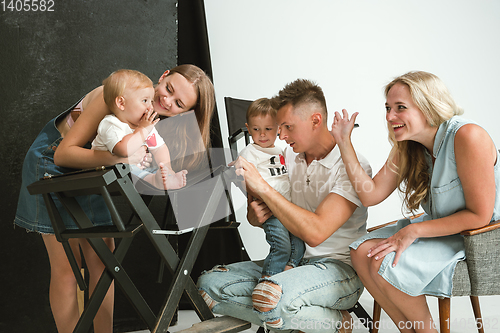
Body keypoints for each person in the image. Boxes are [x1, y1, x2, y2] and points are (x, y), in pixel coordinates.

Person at [14, 64, 215, 333]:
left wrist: (160, 175)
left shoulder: (148, 118)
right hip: (52, 164)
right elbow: (64, 154)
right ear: (164, 75)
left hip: (93, 171)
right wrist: (121, 158)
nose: (166, 100)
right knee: (67, 267)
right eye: (168, 89)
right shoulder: (115, 94)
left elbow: (134, 160)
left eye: (178, 103)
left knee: (103, 258)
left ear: (185, 112)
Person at [330, 70, 500, 333]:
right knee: (360, 251)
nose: (389, 117)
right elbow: (370, 194)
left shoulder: (468, 136)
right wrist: (344, 142)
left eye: (400, 108)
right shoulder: (408, 146)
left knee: (383, 260)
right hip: (444, 229)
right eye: (388, 108)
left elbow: (480, 216)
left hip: (479, 236)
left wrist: (413, 230)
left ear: (428, 106)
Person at [198, 79, 371, 333]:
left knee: (270, 297)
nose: (281, 135)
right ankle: (311, 317)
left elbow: (315, 233)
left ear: (315, 120)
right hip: (292, 261)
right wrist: (254, 213)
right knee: (207, 285)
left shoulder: (353, 167)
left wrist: (264, 188)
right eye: (280, 127)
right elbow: (261, 214)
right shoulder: (285, 155)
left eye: (288, 127)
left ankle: (333, 322)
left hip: (336, 269)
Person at [240, 97, 305, 279]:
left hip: (287, 207)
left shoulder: (281, 151)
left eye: (268, 129)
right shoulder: (249, 152)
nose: (262, 134)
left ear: (278, 128)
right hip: (269, 209)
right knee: (281, 246)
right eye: (256, 129)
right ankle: (268, 278)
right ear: (248, 128)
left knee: (299, 242)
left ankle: (288, 271)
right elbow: (244, 179)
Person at [92, 69, 188, 190]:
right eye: (144, 101)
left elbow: (159, 148)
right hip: (102, 175)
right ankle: (154, 180)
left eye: (151, 102)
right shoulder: (111, 124)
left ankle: (167, 177)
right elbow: (123, 151)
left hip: (127, 172)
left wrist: (167, 168)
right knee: (134, 171)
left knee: (156, 169)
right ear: (121, 103)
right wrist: (142, 130)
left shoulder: (146, 127)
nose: (150, 107)